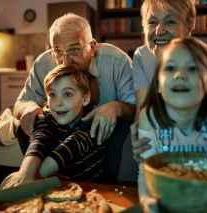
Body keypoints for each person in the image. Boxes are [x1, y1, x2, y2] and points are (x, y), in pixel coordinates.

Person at [14, 13, 136, 180]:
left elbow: (136, 108)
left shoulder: (116, 61)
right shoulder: (44, 62)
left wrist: (115, 107)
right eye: (57, 51)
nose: (65, 62)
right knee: (27, 124)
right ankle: (40, 180)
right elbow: (20, 104)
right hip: (60, 127)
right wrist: (29, 109)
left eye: (74, 50)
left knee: (119, 128)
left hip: (100, 131)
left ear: (92, 47)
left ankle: (107, 185)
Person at [137, 37, 207, 212]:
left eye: (192, 68)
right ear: (157, 83)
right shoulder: (150, 119)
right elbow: (147, 173)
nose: (180, 75)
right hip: (167, 203)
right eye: (170, 68)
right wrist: (147, 201)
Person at [131, 0, 207, 163]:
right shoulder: (142, 56)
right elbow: (143, 115)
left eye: (170, 21)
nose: (159, 30)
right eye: (152, 22)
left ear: (189, 26)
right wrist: (141, 140)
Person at [1, 65, 109, 189]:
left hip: (92, 190)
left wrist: (28, 177)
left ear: (85, 98)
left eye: (67, 94)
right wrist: (25, 172)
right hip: (57, 188)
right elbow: (40, 139)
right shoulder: (46, 117)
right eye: (52, 95)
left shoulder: (93, 122)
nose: (58, 102)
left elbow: (69, 148)